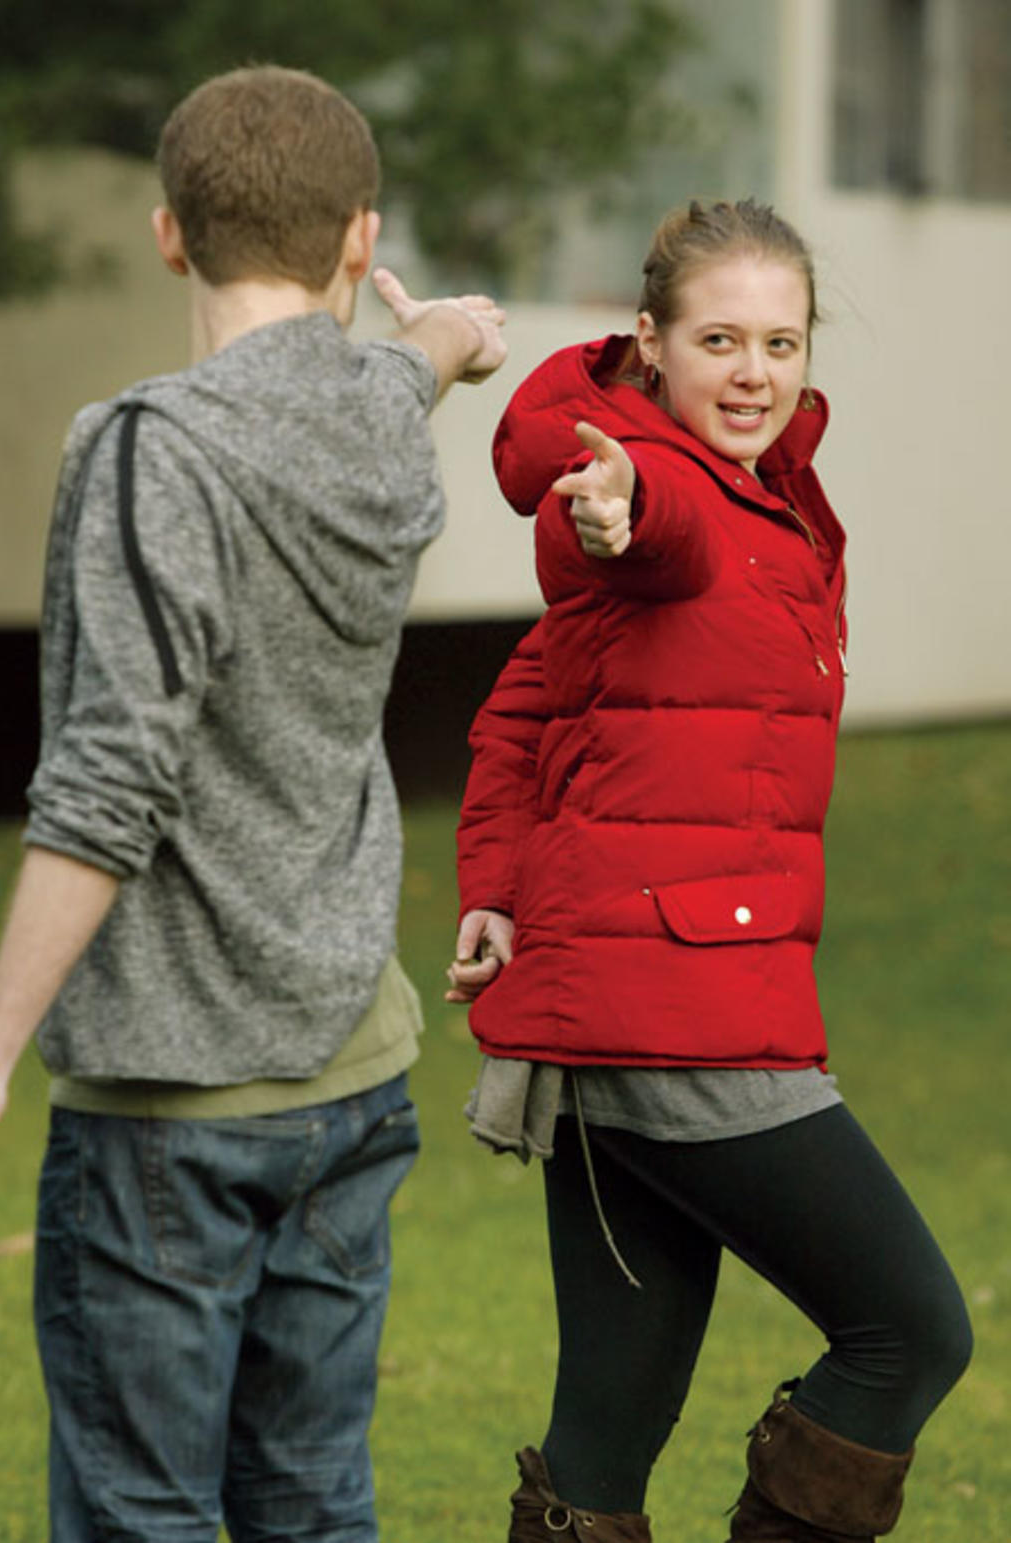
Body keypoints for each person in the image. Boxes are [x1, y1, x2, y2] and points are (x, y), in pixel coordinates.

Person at [0, 64, 505, 1543]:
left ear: (170, 234)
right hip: (351, 1075)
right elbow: (407, 357)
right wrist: (451, 335)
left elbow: (110, 780)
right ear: (359, 238)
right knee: (309, 1503)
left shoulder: (147, 448)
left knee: (141, 1515)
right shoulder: (377, 412)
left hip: (173, 1101)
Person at [446, 199, 971, 1543]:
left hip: (621, 1002)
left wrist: (493, 894)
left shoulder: (769, 502)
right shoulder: (636, 479)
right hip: (680, 1010)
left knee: (607, 1429)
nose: (754, 370)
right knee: (910, 1329)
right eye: (720, 338)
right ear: (650, 346)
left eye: (781, 341)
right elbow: (643, 523)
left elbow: (522, 712)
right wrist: (620, 507)